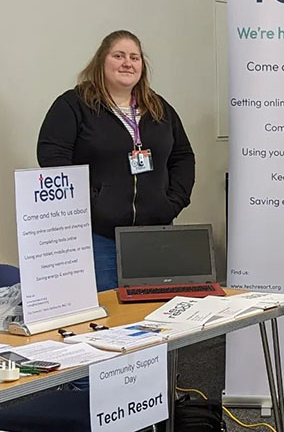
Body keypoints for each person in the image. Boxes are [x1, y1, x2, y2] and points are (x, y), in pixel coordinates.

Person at [37, 30, 195, 292]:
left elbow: (183, 156)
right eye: (119, 55)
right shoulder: (74, 105)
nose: (127, 63)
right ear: (102, 61)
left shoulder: (159, 107)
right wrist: (89, 204)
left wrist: (173, 202)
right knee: (108, 317)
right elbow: (53, 159)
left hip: (155, 234)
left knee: (155, 313)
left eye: (135, 57)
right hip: (98, 236)